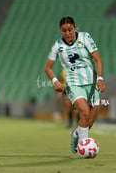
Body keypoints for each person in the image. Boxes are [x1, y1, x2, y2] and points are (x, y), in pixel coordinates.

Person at [45, 16, 105, 154]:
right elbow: (47, 68)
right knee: (84, 112)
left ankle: (76, 134)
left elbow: (98, 60)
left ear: (75, 28)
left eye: (70, 30)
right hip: (74, 85)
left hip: (92, 83)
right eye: (64, 30)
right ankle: (83, 149)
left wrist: (100, 79)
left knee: (89, 123)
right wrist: (56, 81)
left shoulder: (85, 38)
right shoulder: (58, 46)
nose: (67, 33)